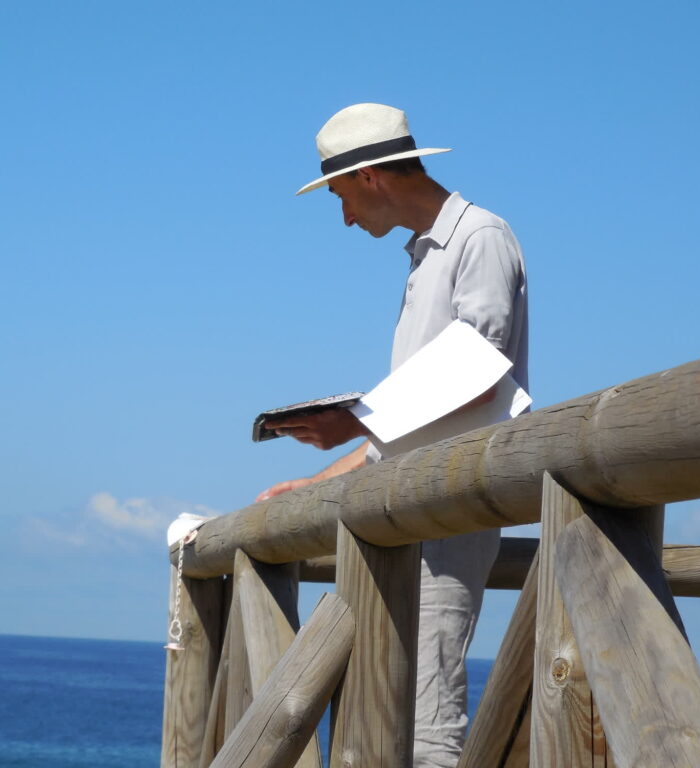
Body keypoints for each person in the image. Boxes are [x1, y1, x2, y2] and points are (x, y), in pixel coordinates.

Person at [256, 103, 528, 768]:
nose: (345, 216)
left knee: (426, 711)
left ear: (371, 177)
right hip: (411, 507)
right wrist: (316, 484)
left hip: (452, 507)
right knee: (381, 701)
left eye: (343, 196)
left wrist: (352, 417)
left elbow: (480, 371)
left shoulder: (480, 236)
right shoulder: (430, 254)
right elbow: (411, 427)